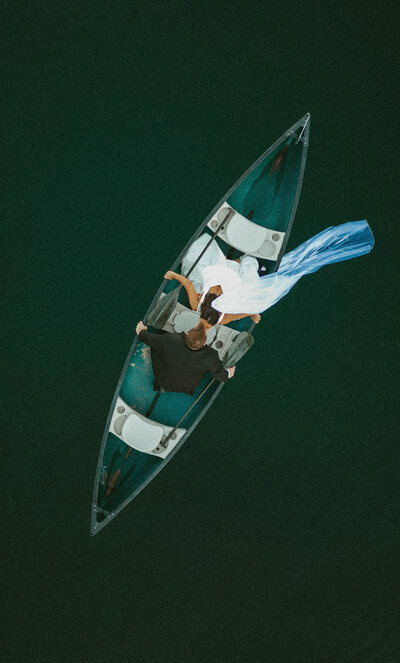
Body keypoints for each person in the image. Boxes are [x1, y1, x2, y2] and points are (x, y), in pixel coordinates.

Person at [135, 320, 236, 396]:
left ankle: (161, 388)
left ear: (187, 334)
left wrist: (142, 331)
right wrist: (229, 372)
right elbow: (223, 376)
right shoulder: (211, 356)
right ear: (204, 344)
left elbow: (148, 338)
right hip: (187, 388)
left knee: (158, 346)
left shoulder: (170, 339)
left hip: (162, 380)